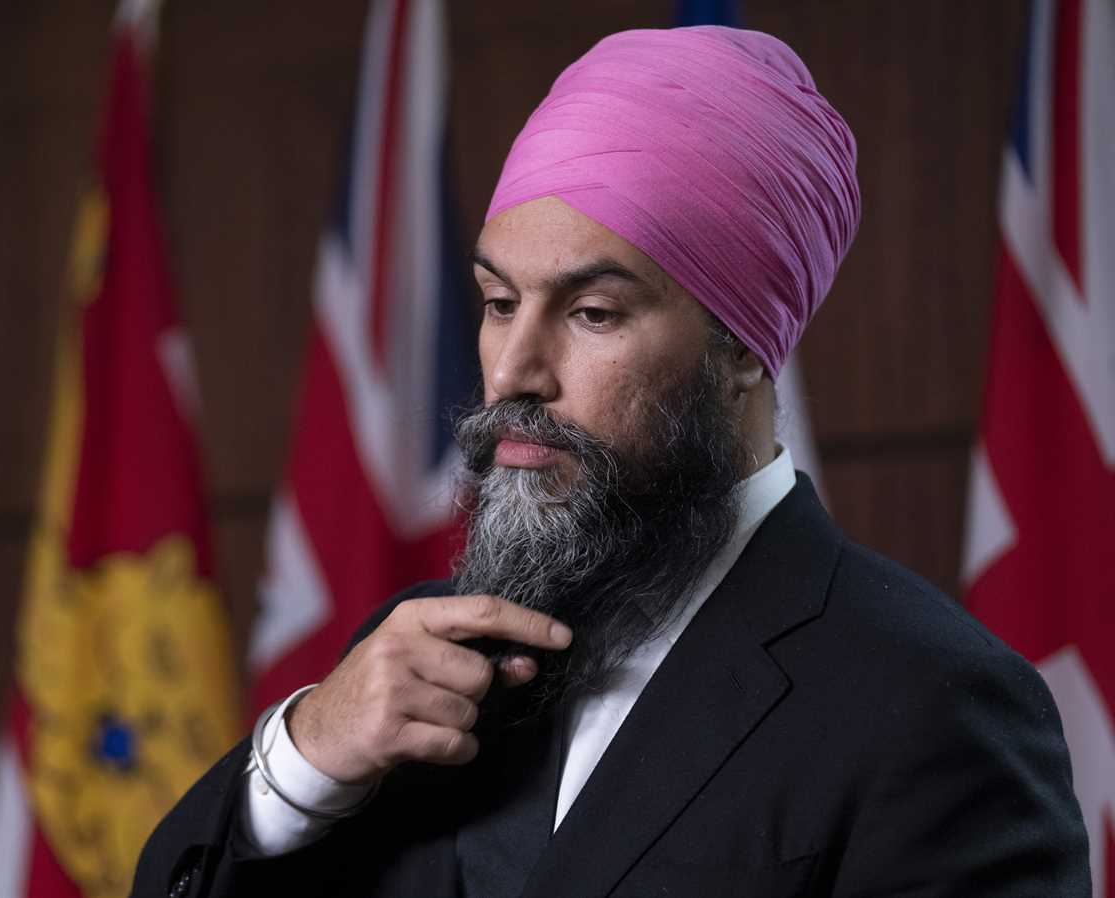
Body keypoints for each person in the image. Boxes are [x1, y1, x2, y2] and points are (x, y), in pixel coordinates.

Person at [132, 25, 1090, 898]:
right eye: (499, 303)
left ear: (745, 346)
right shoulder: (410, 659)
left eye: (592, 314)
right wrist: (303, 760)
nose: (513, 372)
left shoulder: (930, 703)